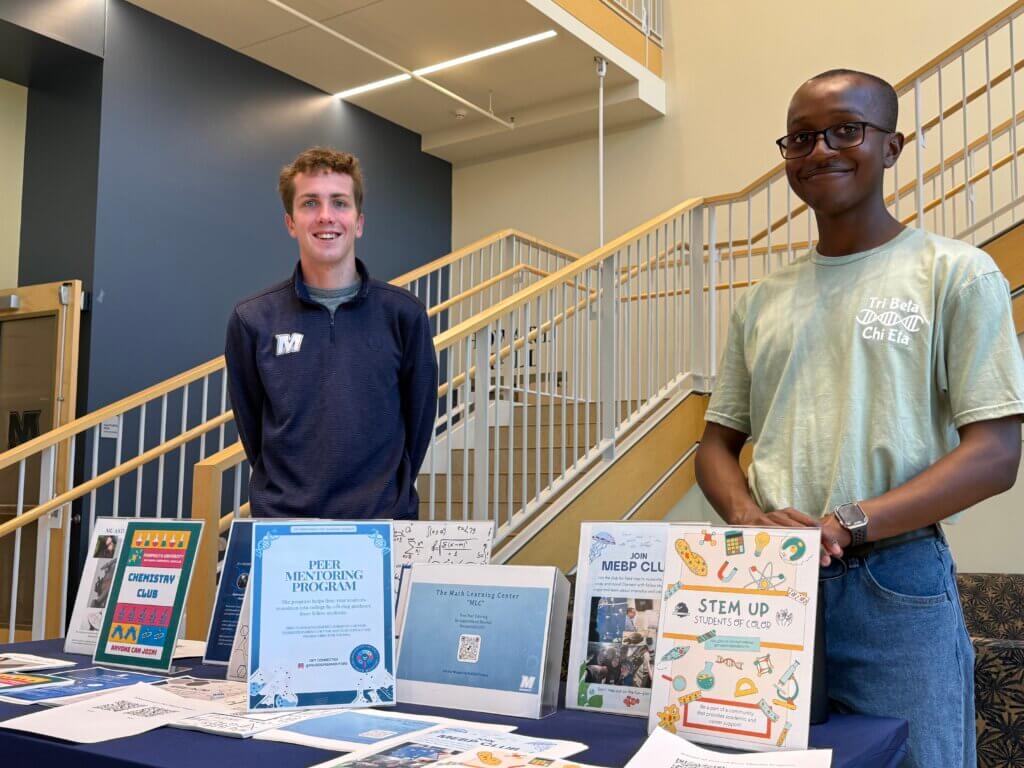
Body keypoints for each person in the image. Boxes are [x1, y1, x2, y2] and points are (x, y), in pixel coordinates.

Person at [695, 69, 1024, 768]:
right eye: (802, 138)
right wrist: (750, 520)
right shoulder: (760, 300)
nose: (820, 150)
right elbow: (716, 444)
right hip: (767, 585)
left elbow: (997, 453)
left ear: (892, 145)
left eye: (847, 130)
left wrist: (846, 521)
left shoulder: (956, 273)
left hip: (895, 579)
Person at [225, 147, 438, 519]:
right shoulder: (253, 319)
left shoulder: (404, 314)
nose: (326, 216)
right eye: (310, 203)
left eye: (340, 203)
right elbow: (252, 430)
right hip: (284, 529)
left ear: (359, 222)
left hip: (383, 527)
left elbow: (418, 424)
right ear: (290, 222)